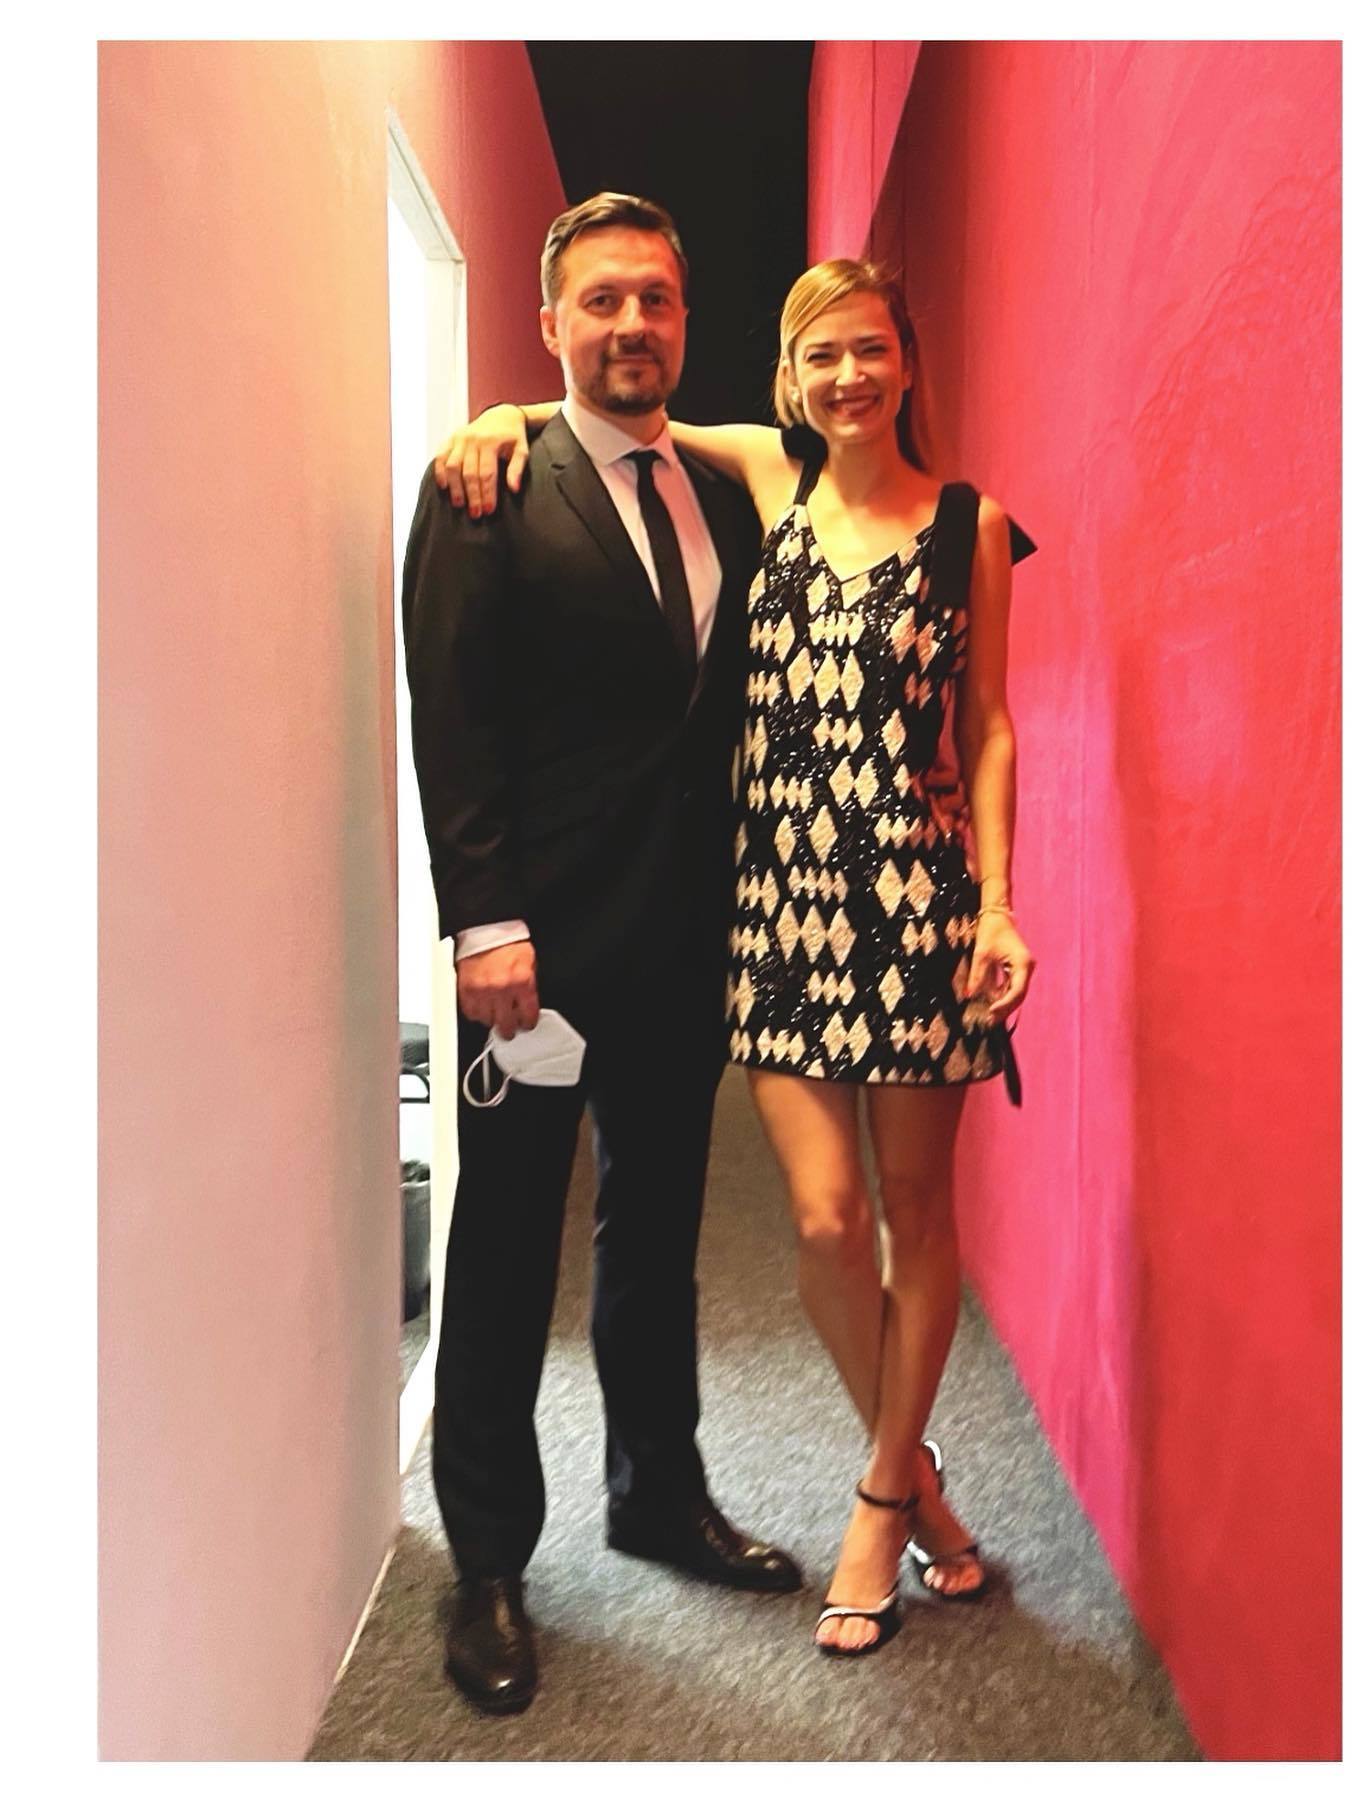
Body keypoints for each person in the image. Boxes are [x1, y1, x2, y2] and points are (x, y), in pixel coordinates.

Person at [437, 254, 1038, 1660]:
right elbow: (611, 414)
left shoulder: (970, 525)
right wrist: (503, 414)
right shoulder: (768, 477)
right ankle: (907, 1481)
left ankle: (869, 1502)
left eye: (872, 349)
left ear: (907, 359)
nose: (849, 376)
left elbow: (992, 724)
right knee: (815, 1226)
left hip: (911, 907)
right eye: (821, 354)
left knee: (871, 1220)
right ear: (787, 375)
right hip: (770, 920)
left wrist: (1001, 903)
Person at [401, 192, 802, 1718]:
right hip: (537, 955)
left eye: (656, 300)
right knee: (507, 1250)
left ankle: (658, 1495)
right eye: (603, 300)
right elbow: (455, 718)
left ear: (685, 321)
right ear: (550, 321)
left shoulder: (727, 490)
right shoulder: (487, 488)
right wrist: (485, 924)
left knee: (655, 1237)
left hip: (686, 939)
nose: (632, 323)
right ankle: (489, 1561)